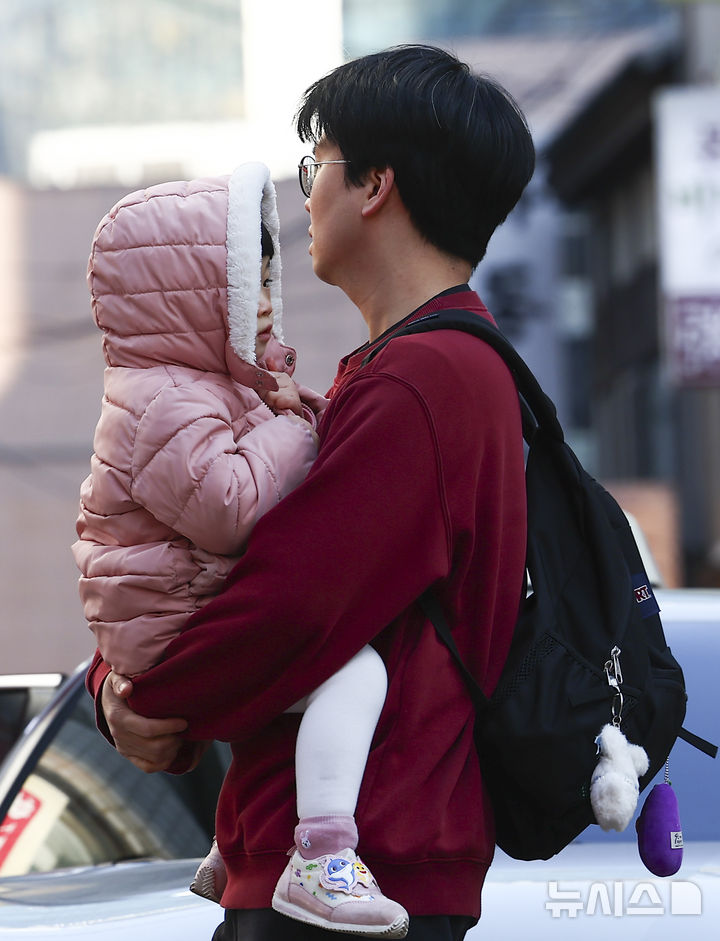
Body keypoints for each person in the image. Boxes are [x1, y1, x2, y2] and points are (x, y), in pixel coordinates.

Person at [88, 44, 535, 941]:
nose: (307, 194)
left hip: (360, 877)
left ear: (375, 185)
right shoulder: (403, 370)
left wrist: (141, 695)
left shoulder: (426, 377)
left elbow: (290, 604)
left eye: (317, 165)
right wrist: (115, 681)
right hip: (337, 868)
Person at [74, 161, 407, 935]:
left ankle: (235, 840)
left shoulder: (191, 388)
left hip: (176, 606)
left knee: (291, 681)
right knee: (355, 670)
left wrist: (294, 416)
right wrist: (295, 429)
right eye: (240, 287)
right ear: (186, 303)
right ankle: (323, 855)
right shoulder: (159, 400)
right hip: (171, 623)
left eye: (264, 282)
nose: (261, 303)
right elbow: (227, 510)